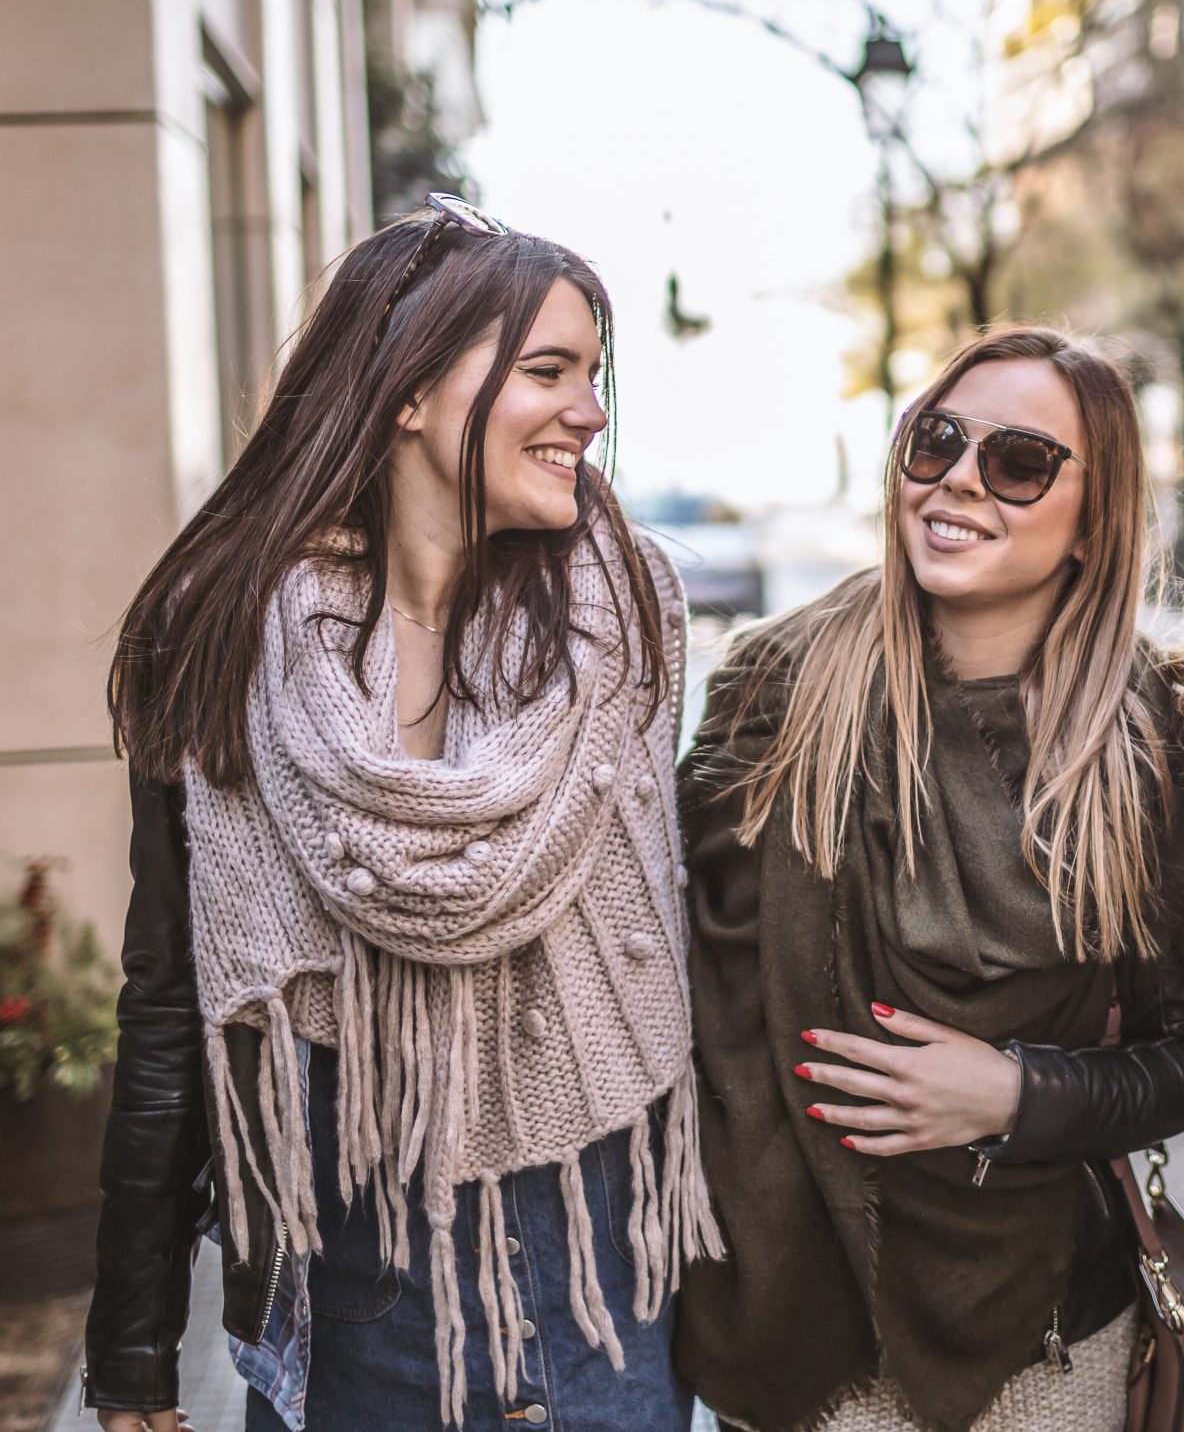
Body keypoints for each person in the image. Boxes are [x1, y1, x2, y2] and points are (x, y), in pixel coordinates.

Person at [83, 195, 717, 1432]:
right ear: (408, 390)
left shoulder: (622, 613)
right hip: (362, 1307)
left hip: (606, 1288)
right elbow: (171, 1000)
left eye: (593, 374)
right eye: (548, 371)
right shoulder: (223, 636)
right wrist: (131, 1343)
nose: (589, 411)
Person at [675, 327, 1184, 1432]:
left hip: (1043, 1329)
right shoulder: (777, 687)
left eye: (1019, 462)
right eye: (937, 442)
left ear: (1094, 515)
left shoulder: (1149, 740)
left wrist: (1020, 1095)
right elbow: (670, 980)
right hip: (785, 1331)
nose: (960, 479)